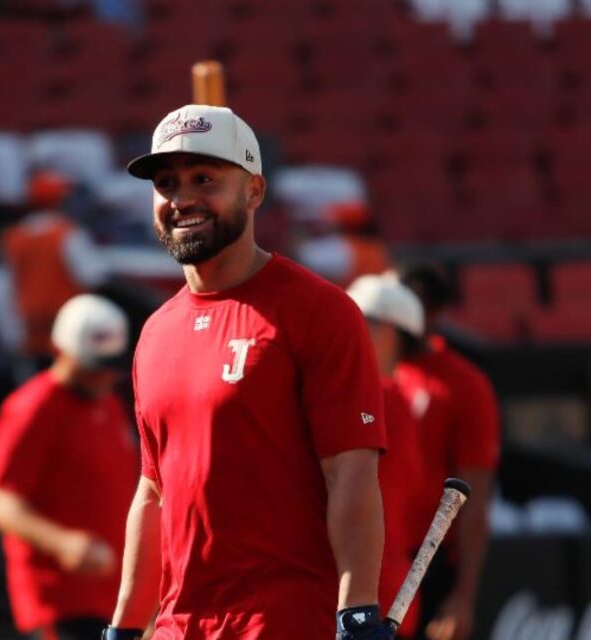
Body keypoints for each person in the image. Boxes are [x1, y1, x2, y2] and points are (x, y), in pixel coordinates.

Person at [107, 104, 392, 640]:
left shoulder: (318, 310)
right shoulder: (154, 332)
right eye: (167, 183)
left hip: (284, 620)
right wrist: (123, 625)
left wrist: (357, 610)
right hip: (178, 626)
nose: (182, 198)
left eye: (205, 179)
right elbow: (152, 494)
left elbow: (351, 474)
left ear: (254, 191)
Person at [0, 294, 138, 640]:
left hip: (111, 597)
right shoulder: (33, 408)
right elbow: (0, 502)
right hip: (58, 601)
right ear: (63, 350)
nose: (103, 377)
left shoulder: (110, 406)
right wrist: (63, 543)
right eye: (93, 366)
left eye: (109, 367)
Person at [395, 264, 500, 640]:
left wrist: (463, 596)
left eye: (417, 306)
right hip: (370, 554)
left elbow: (475, 491)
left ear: (435, 313)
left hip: (428, 561)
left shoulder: (464, 385)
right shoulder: (368, 371)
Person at [347, 275, 430, 640]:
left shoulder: (381, 397)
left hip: (363, 597)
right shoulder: (398, 399)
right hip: (383, 593)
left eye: (362, 321)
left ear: (389, 333)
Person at [1, 171, 110, 365]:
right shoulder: (67, 233)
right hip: (68, 327)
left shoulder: (14, 236)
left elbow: (8, 284)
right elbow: (94, 276)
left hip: (30, 327)